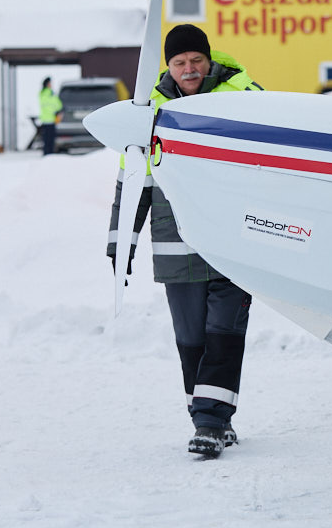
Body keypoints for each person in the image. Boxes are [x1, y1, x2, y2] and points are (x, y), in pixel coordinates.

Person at [106, 24, 262, 459]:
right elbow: (132, 180)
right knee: (192, 339)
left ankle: (209, 423)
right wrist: (121, 241)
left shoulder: (245, 94)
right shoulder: (149, 112)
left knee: (224, 334)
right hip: (177, 248)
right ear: (169, 67)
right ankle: (215, 415)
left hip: (235, 243)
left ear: (208, 60)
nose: (190, 69)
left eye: (197, 60)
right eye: (180, 62)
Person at [38, 77, 63, 155]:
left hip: (48, 120)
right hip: (49, 120)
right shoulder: (48, 93)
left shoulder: (45, 93)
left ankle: (48, 154)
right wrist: (58, 110)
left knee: (48, 140)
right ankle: (48, 155)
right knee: (49, 140)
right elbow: (55, 104)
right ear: (47, 84)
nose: (51, 85)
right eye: (50, 83)